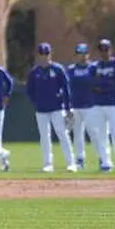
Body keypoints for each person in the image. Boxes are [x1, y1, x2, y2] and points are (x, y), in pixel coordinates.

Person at [26, 42, 77, 172]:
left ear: (50, 54)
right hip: (41, 110)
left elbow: (66, 88)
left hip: (57, 108)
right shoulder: (34, 72)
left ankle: (71, 163)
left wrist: (68, 107)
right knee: (44, 136)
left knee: (62, 134)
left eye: (46, 53)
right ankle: (48, 164)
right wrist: (36, 102)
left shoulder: (58, 69)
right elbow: (30, 90)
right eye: (42, 53)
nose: (44, 56)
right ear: (39, 55)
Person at [90, 39, 115, 172]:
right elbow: (91, 84)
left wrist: (102, 86)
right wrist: (106, 84)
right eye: (101, 49)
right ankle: (105, 162)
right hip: (98, 104)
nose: (103, 52)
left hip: (113, 104)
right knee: (101, 134)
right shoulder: (94, 66)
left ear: (111, 50)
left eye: (106, 49)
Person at [66, 42, 99, 169]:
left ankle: (102, 158)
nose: (82, 56)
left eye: (84, 53)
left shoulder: (93, 68)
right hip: (75, 105)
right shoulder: (71, 69)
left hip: (90, 105)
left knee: (94, 133)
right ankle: (79, 159)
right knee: (77, 134)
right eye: (79, 53)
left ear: (88, 54)